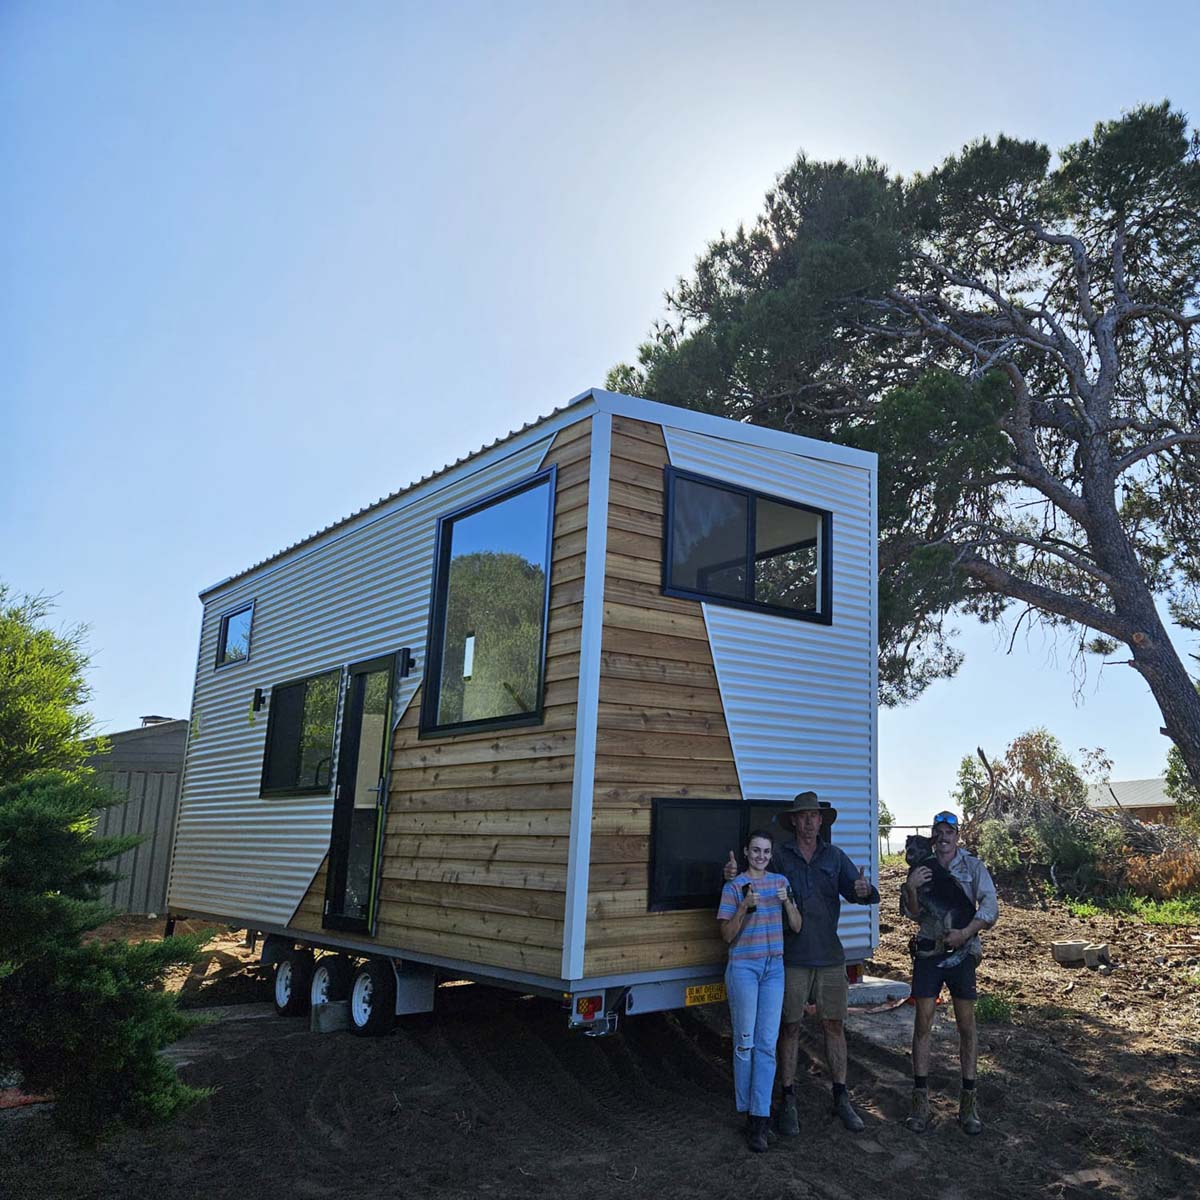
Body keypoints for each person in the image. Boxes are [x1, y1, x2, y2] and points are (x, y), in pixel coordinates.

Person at [724, 791, 879, 1133]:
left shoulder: (835, 857)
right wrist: (731, 875)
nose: (809, 821)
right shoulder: (779, 856)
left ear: (821, 821)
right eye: (803, 816)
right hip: (790, 958)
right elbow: (753, 877)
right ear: (793, 821)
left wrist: (865, 890)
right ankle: (788, 1100)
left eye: (814, 816)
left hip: (829, 956)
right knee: (789, 1028)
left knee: (834, 1026)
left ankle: (841, 1098)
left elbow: (858, 891)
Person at [901, 809, 999, 1136]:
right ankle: (920, 1103)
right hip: (928, 951)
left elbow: (990, 909)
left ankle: (968, 1104)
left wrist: (966, 934)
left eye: (949, 832)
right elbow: (912, 915)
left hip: (963, 950)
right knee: (923, 1023)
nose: (943, 838)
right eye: (938, 832)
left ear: (957, 837)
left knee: (967, 1027)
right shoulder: (922, 870)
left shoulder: (973, 867)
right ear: (933, 837)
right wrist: (912, 888)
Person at [717, 830, 804, 1152]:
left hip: (773, 968)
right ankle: (747, 1109)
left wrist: (787, 902)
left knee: (767, 1043)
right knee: (745, 1043)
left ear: (771, 855)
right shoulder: (734, 887)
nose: (761, 856)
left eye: (766, 851)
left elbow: (796, 925)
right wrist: (744, 907)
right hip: (744, 968)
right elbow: (726, 935)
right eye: (756, 851)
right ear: (746, 852)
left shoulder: (780, 882)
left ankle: (760, 1117)